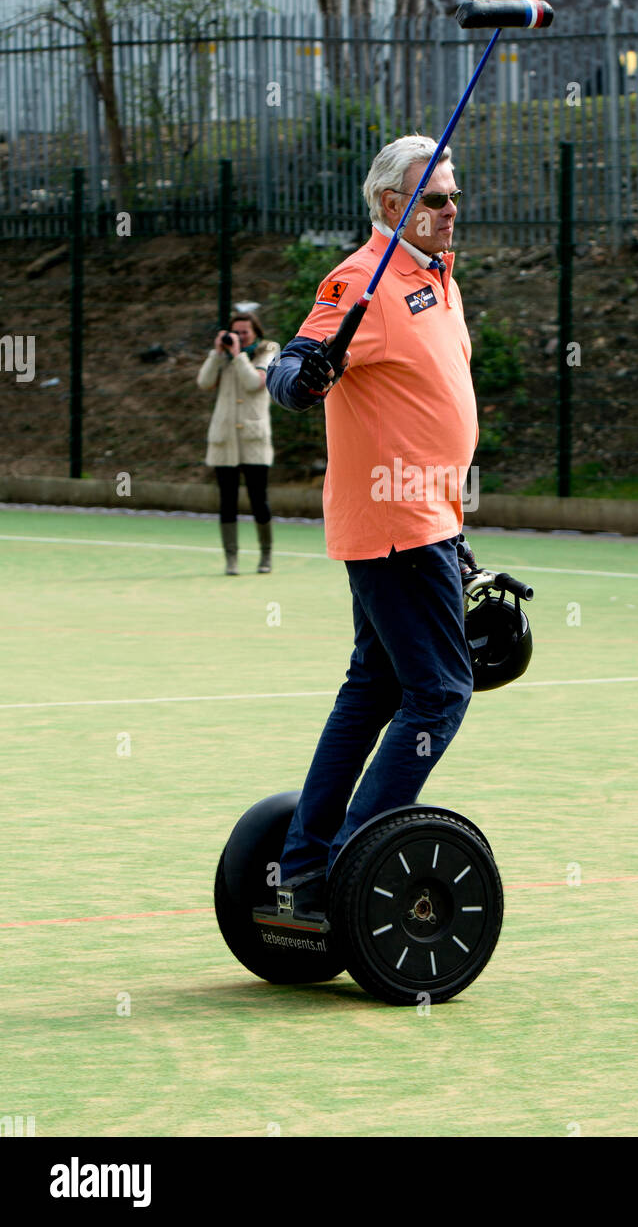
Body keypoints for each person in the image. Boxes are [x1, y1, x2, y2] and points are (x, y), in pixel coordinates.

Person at [265, 134, 478, 919]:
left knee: (374, 687)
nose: (451, 209)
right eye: (435, 199)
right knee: (440, 693)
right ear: (393, 206)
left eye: (454, 195)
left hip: (428, 519)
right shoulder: (363, 277)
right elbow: (290, 365)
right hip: (396, 525)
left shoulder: (437, 280)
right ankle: (350, 865)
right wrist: (301, 380)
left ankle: (304, 867)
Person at [197, 311, 280, 574]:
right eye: (236, 332)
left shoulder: (268, 351)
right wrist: (216, 354)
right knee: (227, 501)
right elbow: (204, 382)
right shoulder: (222, 356)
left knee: (259, 499)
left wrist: (237, 355)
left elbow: (255, 382)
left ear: (256, 332)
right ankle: (231, 558)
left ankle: (265, 555)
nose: (240, 337)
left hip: (253, 439)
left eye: (245, 332)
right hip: (225, 439)